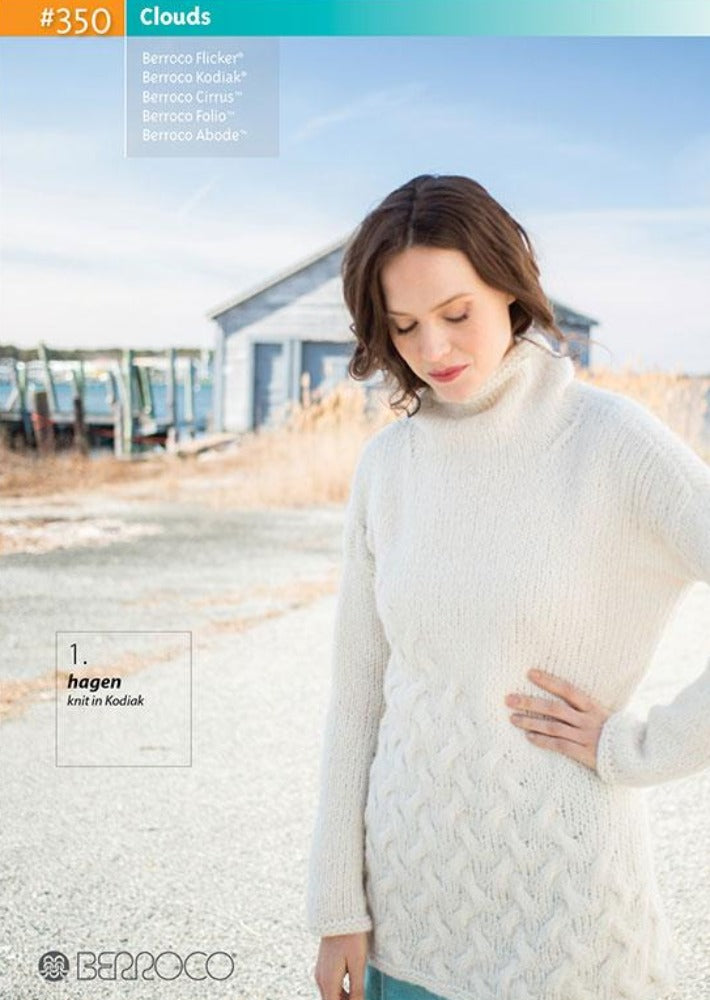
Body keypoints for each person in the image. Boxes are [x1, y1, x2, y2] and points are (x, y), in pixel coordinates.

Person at [306, 173, 710, 1000]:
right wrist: (335, 903)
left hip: (566, 923)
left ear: (510, 289)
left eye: (457, 315)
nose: (434, 350)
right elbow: (358, 697)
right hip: (404, 915)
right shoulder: (388, 467)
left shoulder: (611, 442)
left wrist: (637, 747)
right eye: (405, 326)